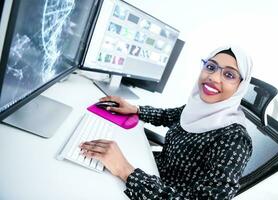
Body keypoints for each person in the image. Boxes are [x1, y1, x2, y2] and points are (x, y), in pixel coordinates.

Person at [80, 45, 253, 199]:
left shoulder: (235, 140)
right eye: (210, 67)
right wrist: (136, 109)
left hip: (153, 190)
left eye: (229, 75)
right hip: (149, 173)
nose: (214, 77)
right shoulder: (200, 108)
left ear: (241, 86)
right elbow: (169, 116)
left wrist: (125, 170)